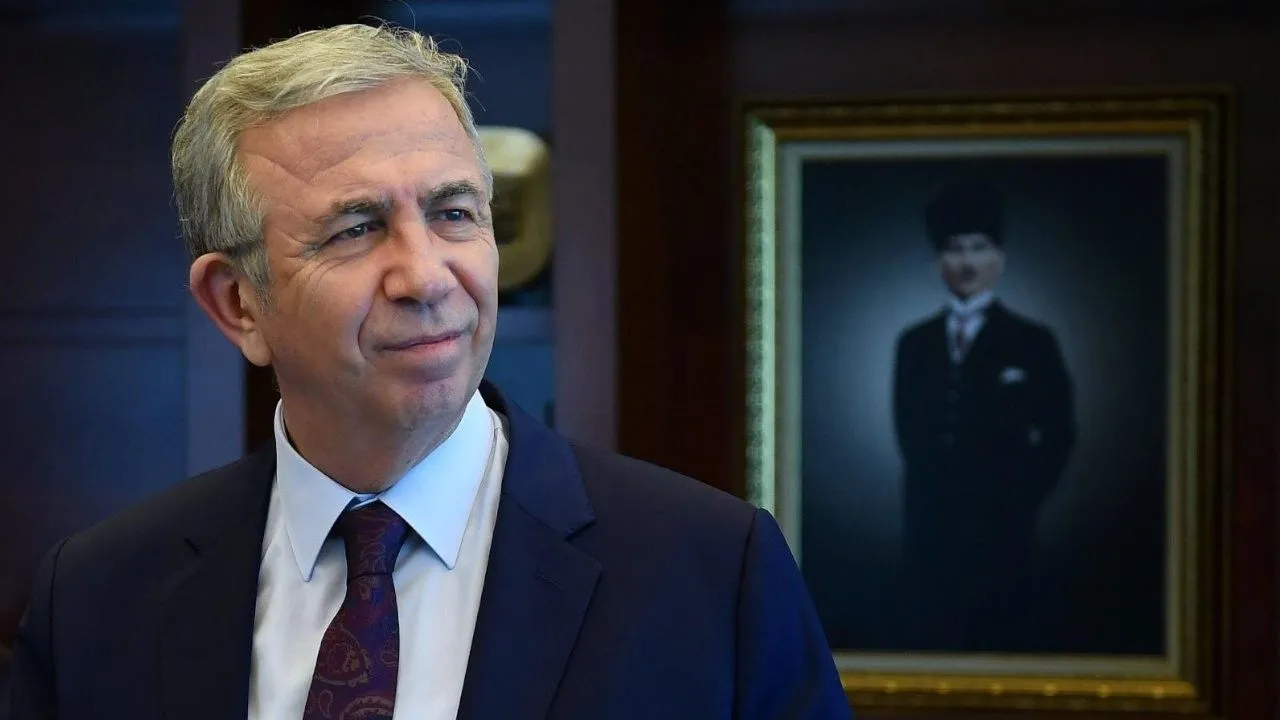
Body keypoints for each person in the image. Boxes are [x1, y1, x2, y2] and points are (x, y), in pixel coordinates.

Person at [6, 24, 849, 720]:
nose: (426, 277)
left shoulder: (712, 573)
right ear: (238, 305)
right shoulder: (96, 598)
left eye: (453, 214)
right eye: (355, 230)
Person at [891, 182, 1076, 653]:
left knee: (1002, 634)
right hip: (929, 526)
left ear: (1000, 259)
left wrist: (1019, 499)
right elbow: (907, 433)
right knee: (931, 635)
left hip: (1003, 527)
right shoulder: (914, 344)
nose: (967, 262)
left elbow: (1060, 434)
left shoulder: (1033, 341)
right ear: (939, 262)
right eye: (955, 249)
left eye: (978, 248)